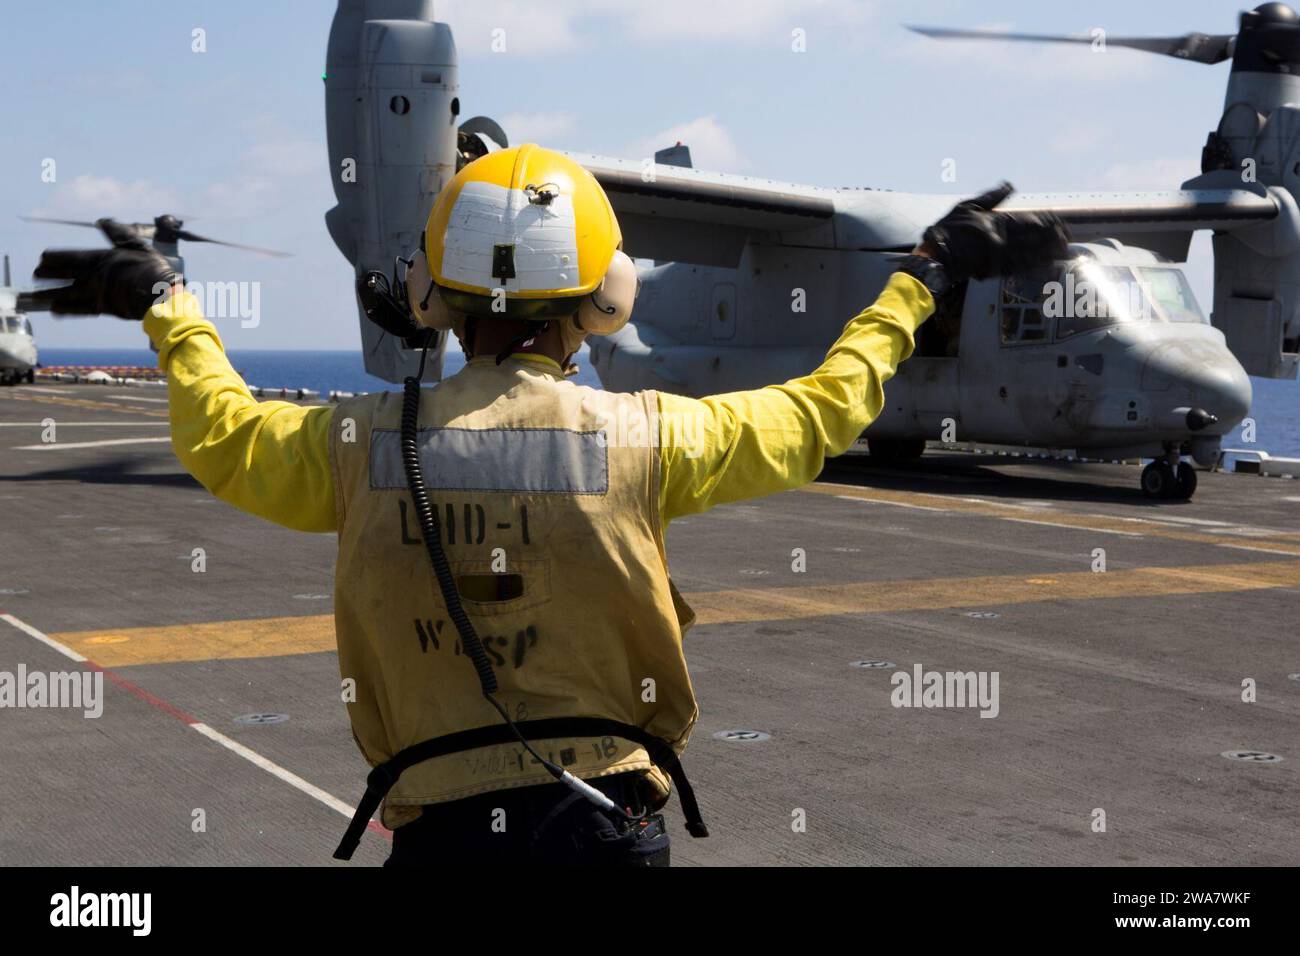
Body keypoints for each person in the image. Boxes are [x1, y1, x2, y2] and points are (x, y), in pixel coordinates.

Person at [30, 145, 1066, 866]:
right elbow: (822, 407)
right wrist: (919, 279)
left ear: (434, 292)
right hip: (605, 826)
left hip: (437, 830)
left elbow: (219, 430)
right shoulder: (655, 437)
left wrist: (170, 302)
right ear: (602, 292)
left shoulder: (352, 444)